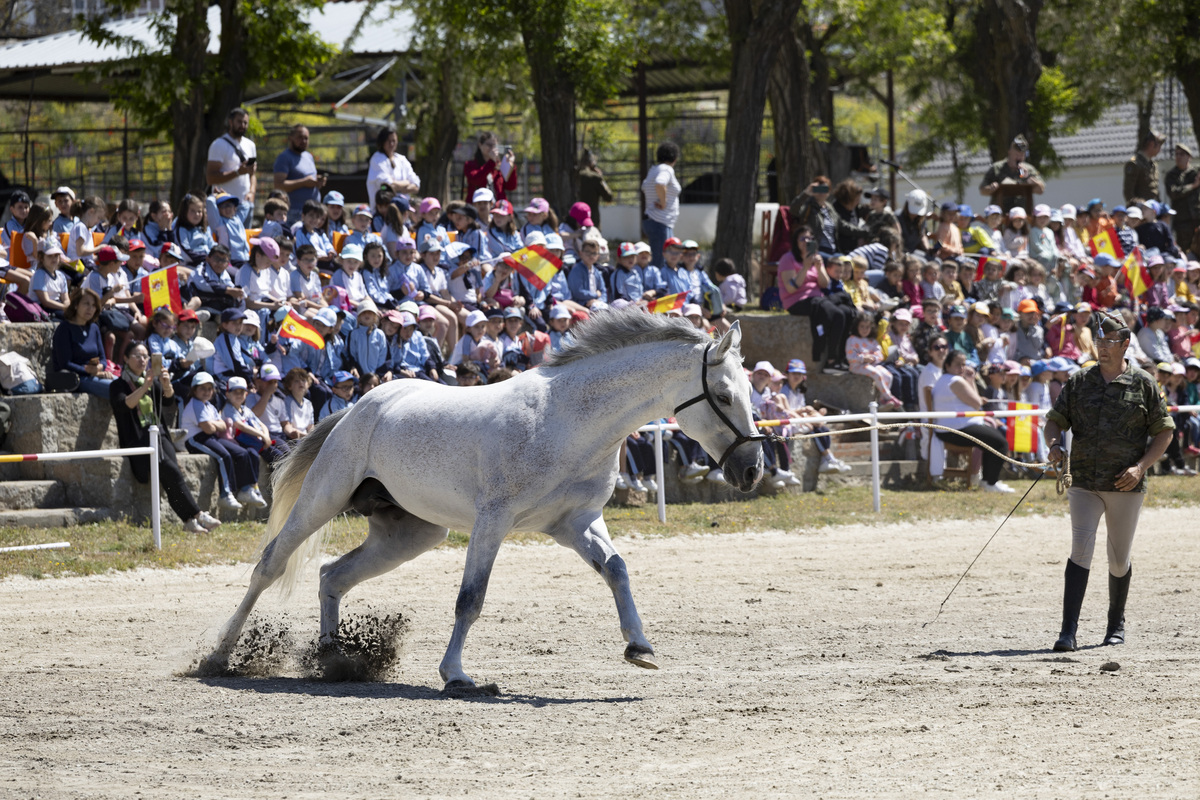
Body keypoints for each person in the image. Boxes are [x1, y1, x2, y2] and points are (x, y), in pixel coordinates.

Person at [1043, 312, 1175, 652]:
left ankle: (1115, 624)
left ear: (1125, 344)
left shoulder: (1143, 383)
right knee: (1080, 550)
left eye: (1109, 342)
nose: (1102, 348)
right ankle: (1067, 632)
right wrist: (1055, 445)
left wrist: (1141, 468)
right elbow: (1054, 421)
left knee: (1118, 559)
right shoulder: (1079, 381)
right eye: (1099, 341)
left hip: (1124, 485)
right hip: (1084, 481)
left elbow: (1164, 432)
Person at [109, 341, 220, 534]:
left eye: (145, 356)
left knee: (171, 476)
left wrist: (166, 385)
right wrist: (146, 385)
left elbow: (168, 401)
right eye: (137, 356)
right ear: (125, 359)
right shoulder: (118, 384)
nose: (142, 360)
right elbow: (125, 404)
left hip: (160, 434)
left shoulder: (151, 380)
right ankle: (197, 514)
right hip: (138, 439)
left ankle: (188, 520)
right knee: (172, 471)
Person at [931, 349, 1016, 493]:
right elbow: (977, 403)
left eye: (963, 364)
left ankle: (988, 481)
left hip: (952, 427)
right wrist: (971, 382)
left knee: (994, 438)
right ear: (947, 365)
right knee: (1000, 443)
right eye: (958, 364)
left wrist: (971, 387)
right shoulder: (955, 380)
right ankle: (990, 482)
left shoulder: (943, 379)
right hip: (955, 429)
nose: (962, 368)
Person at [779, 225, 854, 375]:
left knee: (847, 312)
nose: (807, 242)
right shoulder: (788, 259)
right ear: (796, 241)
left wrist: (819, 268)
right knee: (837, 315)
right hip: (796, 300)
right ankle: (830, 361)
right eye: (803, 238)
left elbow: (824, 284)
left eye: (810, 239)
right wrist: (805, 267)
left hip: (817, 299)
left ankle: (842, 358)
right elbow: (791, 288)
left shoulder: (815, 257)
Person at [51, 288, 115, 398]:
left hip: (95, 374)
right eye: (86, 304)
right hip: (77, 378)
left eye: (94, 305)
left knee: (129, 386)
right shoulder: (64, 329)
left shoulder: (94, 328)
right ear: (76, 305)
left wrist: (100, 367)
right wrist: (88, 371)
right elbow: (65, 363)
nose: (90, 308)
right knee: (116, 389)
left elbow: (103, 358)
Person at [205, 107, 257, 226]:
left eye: (245, 122)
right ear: (230, 122)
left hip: (245, 204)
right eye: (239, 121)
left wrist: (252, 193)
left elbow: (252, 174)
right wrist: (237, 172)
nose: (242, 125)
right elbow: (210, 178)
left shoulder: (250, 145)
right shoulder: (218, 145)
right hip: (224, 205)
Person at [273, 125, 325, 224]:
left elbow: (307, 178)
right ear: (290, 138)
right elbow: (278, 186)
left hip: (313, 213)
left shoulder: (308, 156)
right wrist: (304, 182)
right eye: (300, 137)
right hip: (294, 214)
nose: (304, 141)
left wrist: (317, 181)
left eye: (306, 138)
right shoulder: (284, 158)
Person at [641, 141, 681, 267]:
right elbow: (660, 183)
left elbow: (644, 186)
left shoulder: (653, 170)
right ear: (675, 158)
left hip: (655, 221)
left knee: (662, 260)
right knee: (662, 263)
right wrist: (663, 203)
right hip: (660, 222)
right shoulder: (666, 169)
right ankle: (659, 287)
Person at [979, 135, 1045, 208]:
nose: (1019, 158)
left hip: (1022, 214)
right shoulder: (997, 167)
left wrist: (1028, 177)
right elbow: (982, 190)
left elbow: (1040, 190)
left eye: (1022, 155)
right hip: (1001, 213)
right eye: (1016, 154)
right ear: (1009, 152)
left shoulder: (1029, 169)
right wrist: (991, 188)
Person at [366, 127, 420, 202]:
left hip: (404, 208)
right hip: (384, 208)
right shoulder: (376, 159)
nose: (391, 144)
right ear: (382, 142)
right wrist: (407, 182)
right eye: (388, 141)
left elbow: (416, 184)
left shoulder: (402, 159)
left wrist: (398, 186)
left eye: (394, 141)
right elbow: (387, 185)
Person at [463, 131, 517, 202]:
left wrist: (510, 165)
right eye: (489, 145)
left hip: (498, 209)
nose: (492, 148)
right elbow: (475, 180)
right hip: (478, 207)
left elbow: (511, 187)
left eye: (495, 145)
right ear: (480, 145)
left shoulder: (499, 165)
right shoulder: (470, 165)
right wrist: (491, 162)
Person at [1165, 143, 1200, 251]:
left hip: (1197, 217)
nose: (1178, 157)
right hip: (1182, 221)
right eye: (1177, 154)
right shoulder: (1172, 175)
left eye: (1182, 154)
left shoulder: (1196, 172)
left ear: (1189, 156)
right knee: (1184, 250)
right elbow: (1173, 193)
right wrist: (1193, 186)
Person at [1124, 130, 1166, 205]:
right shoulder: (1134, 164)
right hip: (1140, 211)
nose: (1160, 150)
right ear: (1151, 144)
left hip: (1153, 210)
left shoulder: (1153, 165)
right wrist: (1141, 206)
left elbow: (1154, 191)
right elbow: (1129, 194)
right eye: (1159, 146)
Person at [576, 148, 613, 227]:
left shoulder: (574, 175)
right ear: (591, 163)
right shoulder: (594, 177)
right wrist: (601, 178)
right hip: (591, 219)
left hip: (573, 220)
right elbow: (609, 197)